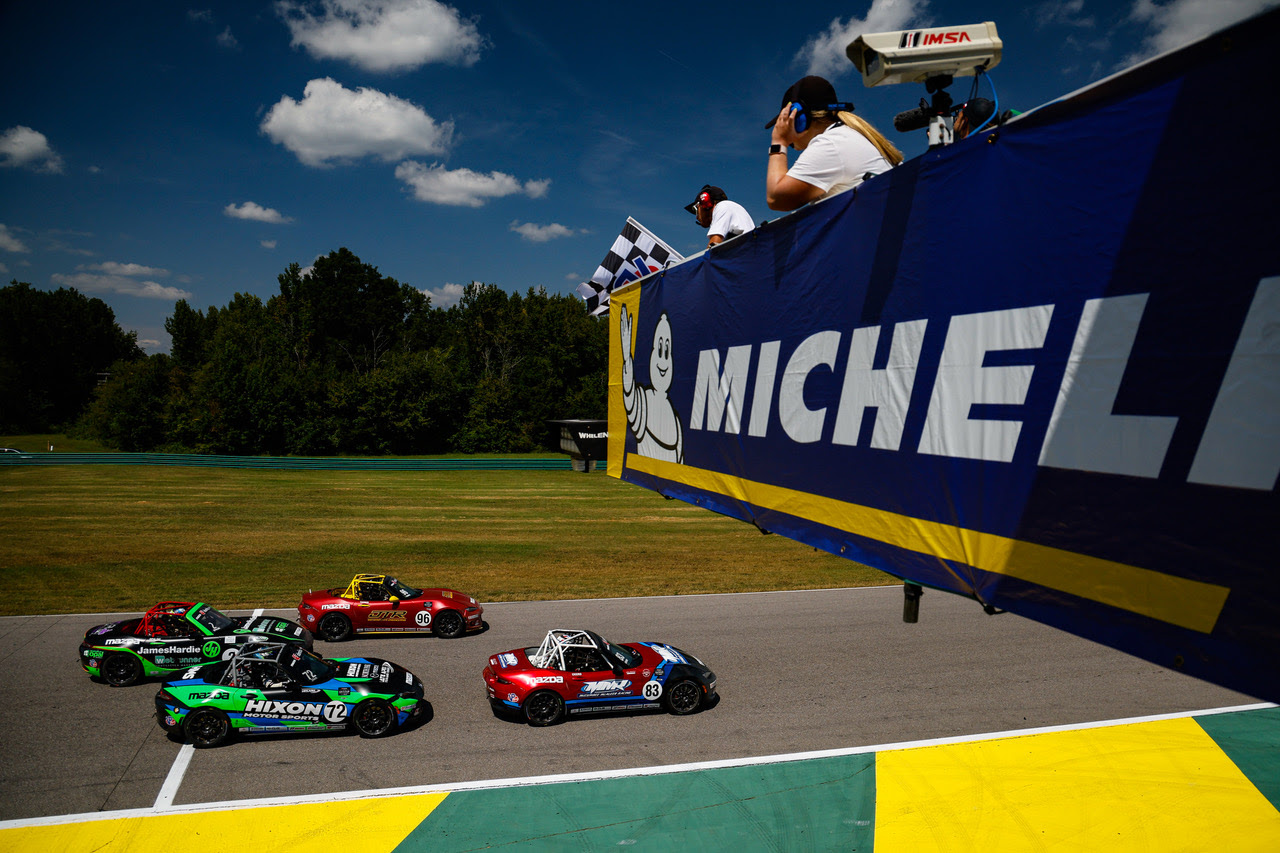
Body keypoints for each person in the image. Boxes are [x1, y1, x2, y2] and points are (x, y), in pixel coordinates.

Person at [765, 75, 903, 211]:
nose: (781, 127)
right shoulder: (851, 137)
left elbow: (776, 198)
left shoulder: (831, 144)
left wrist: (779, 141)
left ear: (797, 118)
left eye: (784, 120)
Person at [684, 185, 755, 249]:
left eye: (696, 209)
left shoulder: (723, 206)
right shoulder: (733, 209)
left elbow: (712, 250)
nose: (697, 217)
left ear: (705, 202)